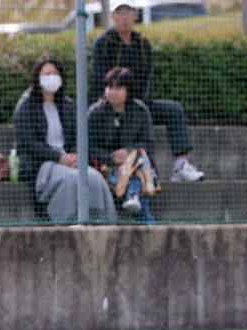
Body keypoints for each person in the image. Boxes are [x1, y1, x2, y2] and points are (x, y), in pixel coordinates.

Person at [92, 0, 204, 183]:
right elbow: (99, 79)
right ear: (112, 17)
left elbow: (148, 79)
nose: (123, 18)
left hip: (140, 105)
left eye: (127, 12)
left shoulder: (143, 44)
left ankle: (180, 165)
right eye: (119, 12)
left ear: (136, 16)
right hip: (112, 107)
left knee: (173, 109)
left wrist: (140, 104)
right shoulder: (103, 44)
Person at [13, 54, 117, 223]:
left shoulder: (67, 105)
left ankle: (100, 221)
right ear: (37, 78)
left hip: (70, 160)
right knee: (71, 180)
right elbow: (27, 143)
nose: (51, 77)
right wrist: (59, 158)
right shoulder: (26, 106)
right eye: (46, 74)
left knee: (94, 177)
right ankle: (66, 221)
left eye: (55, 73)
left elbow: (78, 136)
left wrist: (76, 156)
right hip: (43, 163)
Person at [88, 67, 158, 222]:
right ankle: (143, 215)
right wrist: (111, 157)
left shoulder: (140, 110)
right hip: (106, 167)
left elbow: (149, 143)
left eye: (118, 88)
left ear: (128, 90)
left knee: (140, 161)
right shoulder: (95, 112)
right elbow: (87, 146)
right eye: (109, 87)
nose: (112, 91)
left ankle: (133, 196)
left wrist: (128, 152)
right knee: (136, 173)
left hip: (136, 166)